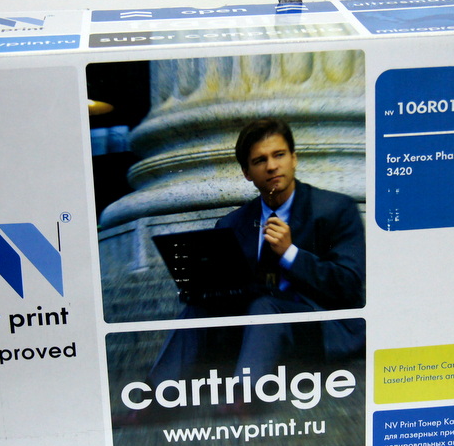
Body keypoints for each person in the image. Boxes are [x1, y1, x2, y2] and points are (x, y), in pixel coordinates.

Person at [147, 118, 365, 389]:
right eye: (260, 160)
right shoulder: (231, 224)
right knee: (197, 309)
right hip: (252, 331)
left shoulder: (335, 209)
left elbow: (349, 285)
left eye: (279, 155)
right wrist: (201, 289)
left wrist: (290, 253)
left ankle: (244, 395)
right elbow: (226, 291)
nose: (272, 166)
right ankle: (154, 395)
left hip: (319, 326)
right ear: (247, 173)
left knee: (265, 306)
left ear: (294, 159)